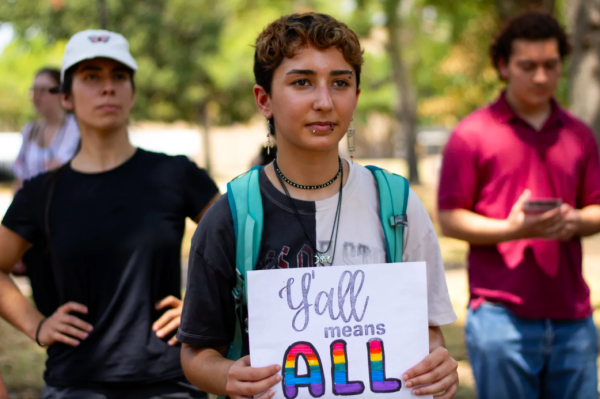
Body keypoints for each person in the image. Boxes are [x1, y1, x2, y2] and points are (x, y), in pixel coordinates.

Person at [178, 12, 459, 399]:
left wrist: (437, 364)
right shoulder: (232, 216)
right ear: (264, 100)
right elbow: (195, 352)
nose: (324, 102)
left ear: (356, 96)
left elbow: (427, 333)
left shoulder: (397, 204)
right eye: (302, 82)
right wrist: (226, 375)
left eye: (340, 83)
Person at [0, 29, 219, 398]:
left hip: (169, 381)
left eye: (118, 77)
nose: (107, 88)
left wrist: (206, 310)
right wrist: (38, 326)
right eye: (91, 77)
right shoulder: (41, 192)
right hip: (75, 384)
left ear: (132, 92)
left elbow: (246, 245)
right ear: (67, 97)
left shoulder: (176, 175)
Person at [437, 12, 600, 399]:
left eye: (550, 65)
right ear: (503, 66)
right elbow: (449, 218)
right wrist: (514, 229)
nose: (541, 77)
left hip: (573, 318)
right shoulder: (471, 134)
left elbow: (597, 208)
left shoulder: (579, 134)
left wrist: (574, 220)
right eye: (528, 66)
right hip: (499, 320)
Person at [11, 68, 80, 279]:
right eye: (34, 90)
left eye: (44, 90)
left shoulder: (76, 128)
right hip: (35, 226)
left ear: (62, 93)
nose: (37, 96)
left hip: (66, 225)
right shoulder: (30, 130)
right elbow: (20, 180)